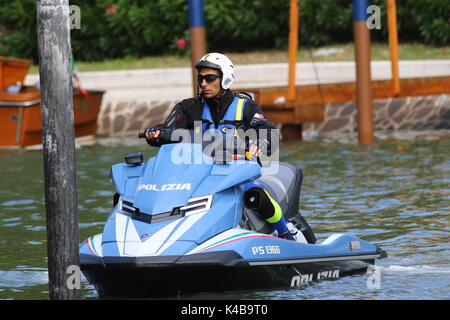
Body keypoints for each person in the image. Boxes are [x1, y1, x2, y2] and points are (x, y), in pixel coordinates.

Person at [144, 52, 295, 240]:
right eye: (201, 79)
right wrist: (156, 135)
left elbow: (269, 132)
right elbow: (168, 129)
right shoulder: (188, 108)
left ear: (225, 78)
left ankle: (286, 232)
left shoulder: (245, 107)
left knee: (253, 192)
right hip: (197, 175)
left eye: (210, 78)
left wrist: (260, 142)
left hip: (238, 174)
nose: (204, 84)